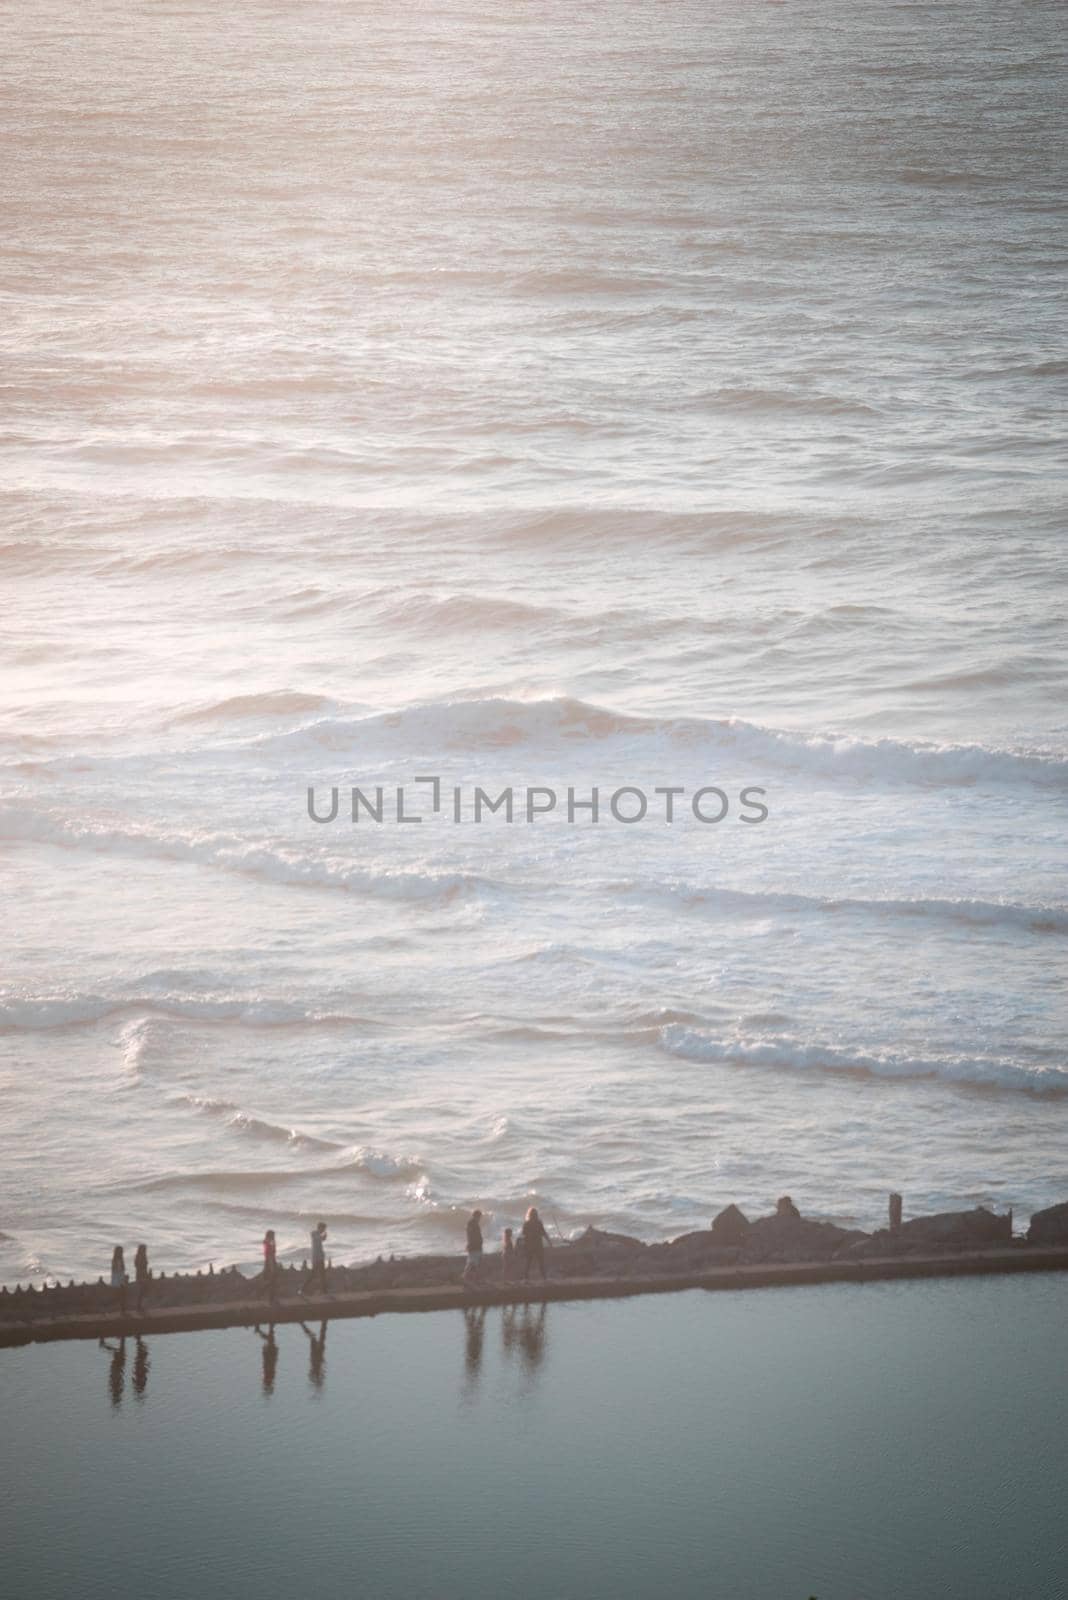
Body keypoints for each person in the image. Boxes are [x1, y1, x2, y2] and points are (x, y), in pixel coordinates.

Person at [521, 1207, 551, 1282]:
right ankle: (544, 1278)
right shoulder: (538, 1223)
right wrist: (549, 1241)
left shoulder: (526, 1223)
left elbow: (524, 1235)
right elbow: (544, 1233)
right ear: (536, 1214)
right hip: (538, 1245)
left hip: (530, 1245)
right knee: (540, 1262)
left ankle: (526, 1279)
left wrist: (523, 1246)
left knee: (528, 1263)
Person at [300, 1222, 328, 1298]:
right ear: (319, 1227)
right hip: (316, 1258)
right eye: (323, 1229)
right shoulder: (314, 1233)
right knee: (313, 1275)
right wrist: (323, 1236)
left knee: (322, 1274)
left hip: (320, 1257)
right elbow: (318, 1238)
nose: (323, 1230)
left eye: (324, 1229)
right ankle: (302, 1289)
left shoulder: (318, 1234)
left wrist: (325, 1236)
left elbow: (322, 1239)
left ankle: (324, 1291)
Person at [463, 1208, 484, 1288]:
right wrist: (471, 1244)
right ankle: (466, 1278)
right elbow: (471, 1236)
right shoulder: (472, 1223)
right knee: (472, 1264)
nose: (480, 1219)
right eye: (479, 1217)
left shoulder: (473, 1223)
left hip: (476, 1246)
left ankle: (471, 1279)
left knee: (474, 1263)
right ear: (476, 1216)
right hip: (474, 1247)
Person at [110, 1245, 128, 1317]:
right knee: (121, 1294)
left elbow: (121, 1269)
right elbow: (116, 1270)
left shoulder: (120, 1259)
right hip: (118, 1279)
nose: (122, 1252)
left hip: (120, 1278)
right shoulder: (115, 1260)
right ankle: (121, 1309)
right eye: (121, 1251)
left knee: (122, 1294)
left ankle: (122, 1309)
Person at [133, 1243, 150, 1314]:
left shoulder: (139, 1256)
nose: (145, 1250)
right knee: (142, 1291)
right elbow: (140, 1266)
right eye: (145, 1249)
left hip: (141, 1275)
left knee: (142, 1291)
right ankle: (139, 1307)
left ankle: (140, 1306)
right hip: (141, 1275)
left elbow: (136, 1265)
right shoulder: (141, 1256)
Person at [262, 1229, 278, 1303]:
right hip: (270, 1262)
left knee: (270, 1280)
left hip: (268, 1262)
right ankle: (271, 1298)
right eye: (273, 1236)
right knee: (272, 1281)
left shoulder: (266, 1242)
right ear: (271, 1236)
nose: (274, 1237)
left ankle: (270, 1297)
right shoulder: (270, 1243)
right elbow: (271, 1254)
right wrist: (272, 1267)